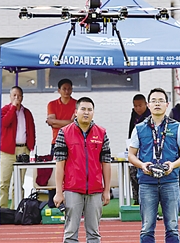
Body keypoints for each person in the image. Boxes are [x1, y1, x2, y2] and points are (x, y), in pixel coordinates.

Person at [128, 87, 180, 243]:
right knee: (147, 227)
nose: (157, 104)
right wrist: (142, 165)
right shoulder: (139, 128)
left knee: (172, 227)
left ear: (167, 104)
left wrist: (173, 165)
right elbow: (130, 155)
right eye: (154, 101)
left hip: (170, 181)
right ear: (148, 105)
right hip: (147, 182)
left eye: (161, 100)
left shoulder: (176, 127)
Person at [53, 97, 112, 243]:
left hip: (95, 189)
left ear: (93, 112)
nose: (86, 112)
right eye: (83, 109)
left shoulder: (102, 133)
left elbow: (106, 163)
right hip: (73, 189)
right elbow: (60, 165)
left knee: (94, 234)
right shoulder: (64, 133)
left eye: (89, 110)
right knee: (70, 233)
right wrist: (59, 192)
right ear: (76, 112)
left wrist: (106, 190)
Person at [0, 86, 36, 209]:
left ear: (22, 97)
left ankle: (16, 209)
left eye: (19, 95)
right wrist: (13, 107)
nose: (17, 98)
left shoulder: (27, 113)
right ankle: (2, 210)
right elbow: (5, 123)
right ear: (10, 97)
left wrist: (31, 146)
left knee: (19, 183)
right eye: (14, 95)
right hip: (8, 151)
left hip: (23, 149)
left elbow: (32, 130)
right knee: (4, 182)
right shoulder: (5, 110)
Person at [46, 78, 77, 208]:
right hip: (57, 142)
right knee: (56, 172)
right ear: (59, 90)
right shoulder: (52, 104)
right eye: (64, 88)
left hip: (74, 142)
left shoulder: (76, 104)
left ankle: (72, 202)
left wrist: (57, 122)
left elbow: (54, 122)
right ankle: (54, 202)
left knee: (72, 172)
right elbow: (50, 121)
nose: (67, 91)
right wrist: (69, 123)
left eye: (69, 88)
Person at [128, 94, 151, 205]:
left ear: (146, 104)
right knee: (133, 174)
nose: (137, 108)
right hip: (135, 149)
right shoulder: (134, 114)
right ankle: (137, 199)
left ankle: (146, 200)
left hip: (147, 151)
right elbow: (130, 132)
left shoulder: (149, 116)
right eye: (135, 106)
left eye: (140, 105)